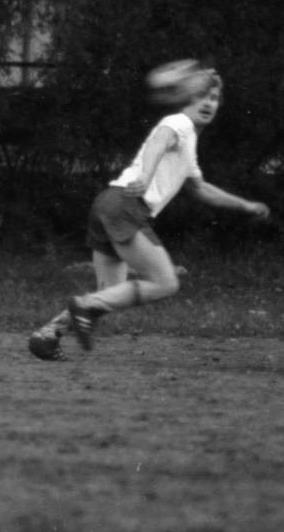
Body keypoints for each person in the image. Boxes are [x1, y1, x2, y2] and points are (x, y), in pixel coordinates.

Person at [28, 67, 269, 359]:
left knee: (107, 296)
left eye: (214, 97)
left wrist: (245, 205)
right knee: (165, 283)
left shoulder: (189, 140)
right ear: (186, 98)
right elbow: (158, 142)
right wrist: (146, 175)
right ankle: (81, 308)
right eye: (200, 95)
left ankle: (47, 335)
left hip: (109, 203)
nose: (208, 102)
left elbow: (201, 188)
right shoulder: (179, 122)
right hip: (126, 205)